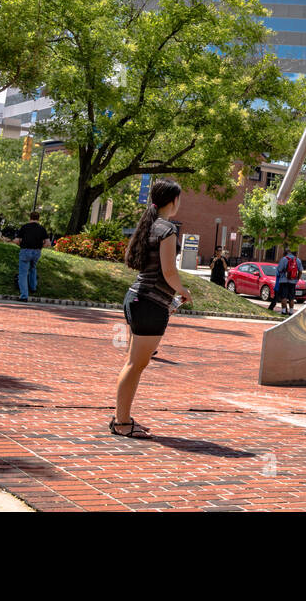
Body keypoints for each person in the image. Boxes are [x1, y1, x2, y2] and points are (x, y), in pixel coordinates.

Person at [112, 179, 191, 438]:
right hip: (149, 303)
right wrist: (183, 291)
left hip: (137, 297)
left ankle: (121, 418)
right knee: (136, 364)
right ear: (173, 200)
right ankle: (122, 423)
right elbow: (169, 270)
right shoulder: (167, 228)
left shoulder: (149, 225)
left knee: (132, 363)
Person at [13, 211, 48, 301]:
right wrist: (40, 248)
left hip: (25, 251)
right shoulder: (42, 229)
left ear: (30, 218)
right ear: (38, 218)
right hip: (37, 252)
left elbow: (17, 241)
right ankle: (33, 287)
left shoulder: (24, 227)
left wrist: (21, 246)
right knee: (33, 268)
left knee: (23, 274)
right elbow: (48, 243)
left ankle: (24, 296)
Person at [270, 248, 302, 314]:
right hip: (293, 281)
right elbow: (300, 271)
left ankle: (284, 311)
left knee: (284, 296)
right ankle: (291, 311)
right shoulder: (298, 260)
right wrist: (297, 279)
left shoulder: (284, 259)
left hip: (283, 281)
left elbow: (279, 269)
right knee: (291, 297)